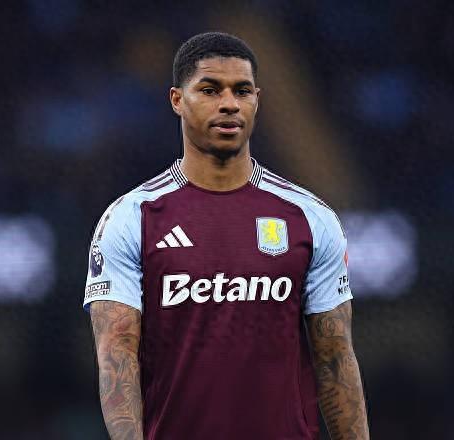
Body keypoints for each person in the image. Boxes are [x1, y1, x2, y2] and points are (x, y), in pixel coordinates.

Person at [84, 32, 369, 440]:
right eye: (210, 89)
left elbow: (336, 359)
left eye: (242, 91)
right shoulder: (131, 218)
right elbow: (117, 356)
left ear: (257, 100)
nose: (229, 103)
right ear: (177, 100)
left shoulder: (311, 218)